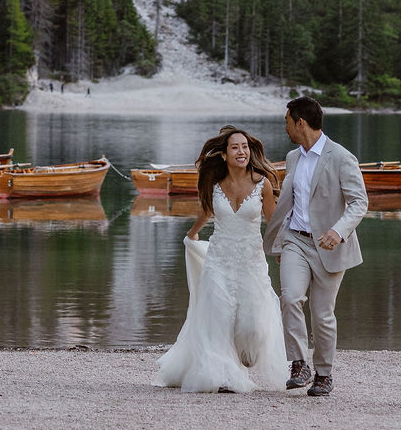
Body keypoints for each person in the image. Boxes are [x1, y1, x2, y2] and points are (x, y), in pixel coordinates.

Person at [155, 126, 288, 393]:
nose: (241, 151)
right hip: (218, 260)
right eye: (235, 147)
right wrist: (192, 234)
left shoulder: (262, 183)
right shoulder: (215, 185)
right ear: (225, 155)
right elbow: (206, 211)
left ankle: (242, 359)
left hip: (251, 261)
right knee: (218, 319)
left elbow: (273, 223)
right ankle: (223, 375)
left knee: (252, 327)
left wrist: (281, 252)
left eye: (245, 147)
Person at [263, 94, 368, 398]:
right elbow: (291, 204)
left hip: (330, 246)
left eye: (287, 122)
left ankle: (323, 374)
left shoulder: (341, 157)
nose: (285, 128)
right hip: (296, 239)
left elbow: (359, 203)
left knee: (322, 314)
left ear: (301, 123)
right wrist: (281, 241)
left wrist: (338, 231)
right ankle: (298, 364)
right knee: (291, 298)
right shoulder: (294, 157)